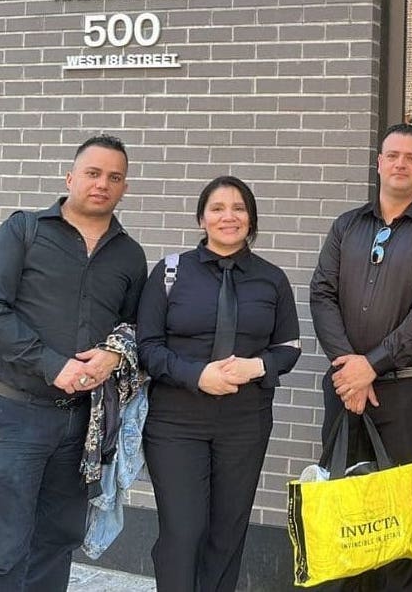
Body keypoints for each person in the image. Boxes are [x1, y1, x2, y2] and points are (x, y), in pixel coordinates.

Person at [0, 134, 148, 592]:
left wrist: (114, 353)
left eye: (115, 177)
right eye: (93, 173)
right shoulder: (23, 230)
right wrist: (52, 364)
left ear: (125, 187)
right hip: (13, 414)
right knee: (2, 548)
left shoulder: (130, 256)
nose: (103, 184)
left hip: (81, 425)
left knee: (57, 542)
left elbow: (136, 325)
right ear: (71, 177)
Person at [310, 123, 412, 591]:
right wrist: (347, 367)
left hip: (405, 395)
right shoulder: (347, 225)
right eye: (392, 155)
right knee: (344, 510)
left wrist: (369, 366)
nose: (400, 164)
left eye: (411, 158)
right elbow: (322, 294)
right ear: (378, 162)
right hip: (344, 391)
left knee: (400, 523)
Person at [137, 176, 301, 592]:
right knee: (183, 530)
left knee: (227, 533)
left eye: (239, 208)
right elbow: (148, 348)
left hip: (245, 423)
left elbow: (288, 347)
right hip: (176, 422)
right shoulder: (170, 273)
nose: (229, 216)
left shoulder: (272, 279)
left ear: (252, 219)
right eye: (217, 208)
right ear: (201, 218)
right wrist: (197, 375)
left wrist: (257, 367)